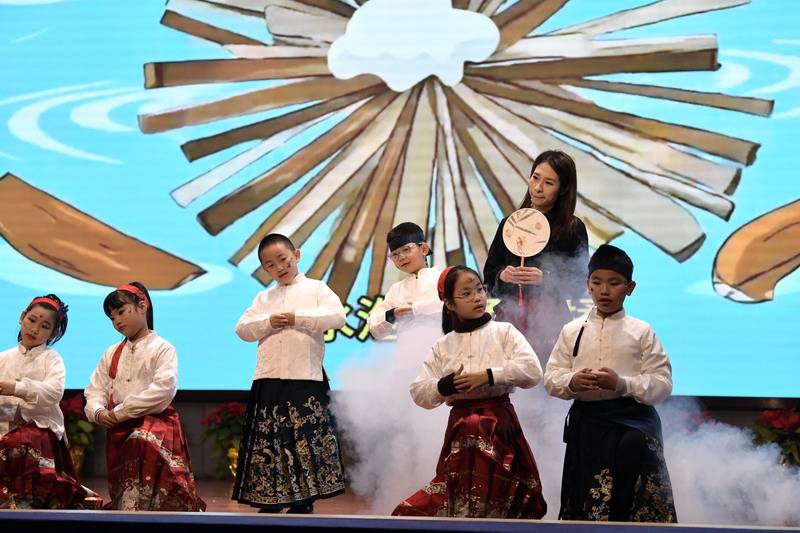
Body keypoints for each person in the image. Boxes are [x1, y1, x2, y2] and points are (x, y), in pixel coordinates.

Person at [392, 266, 547, 518]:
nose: (477, 297)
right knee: (458, 498)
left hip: (499, 425)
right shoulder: (443, 345)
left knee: (501, 498)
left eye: (480, 290)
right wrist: (446, 385)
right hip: (460, 429)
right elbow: (419, 391)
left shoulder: (504, 332)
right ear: (449, 303)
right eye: (466, 293)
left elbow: (532, 372)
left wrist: (488, 376)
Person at [544, 244, 676, 522]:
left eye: (614, 283)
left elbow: (662, 382)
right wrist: (572, 382)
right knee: (586, 499)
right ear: (587, 285)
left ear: (630, 288)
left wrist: (622, 384)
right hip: (588, 421)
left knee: (632, 459)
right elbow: (551, 378)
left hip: (634, 420)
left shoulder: (641, 331)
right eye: (597, 282)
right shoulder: (572, 330)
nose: (604, 291)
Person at [233, 233, 347, 514]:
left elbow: (338, 317)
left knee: (303, 441)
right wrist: (268, 322)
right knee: (271, 441)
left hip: (305, 377)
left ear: (296, 255)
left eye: (283, 259)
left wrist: (298, 318)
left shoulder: (316, 288)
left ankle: (303, 500)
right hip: (269, 377)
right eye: (270, 265)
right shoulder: (264, 298)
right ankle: (270, 499)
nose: (279, 267)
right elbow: (242, 329)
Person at [84, 282, 205, 511]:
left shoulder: (162, 348)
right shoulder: (111, 353)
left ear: (142, 306)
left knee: (141, 441)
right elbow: (95, 389)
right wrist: (98, 412)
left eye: (121, 312)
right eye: (112, 318)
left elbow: (163, 390)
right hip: (120, 427)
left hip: (155, 424)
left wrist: (120, 412)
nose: (117, 321)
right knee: (126, 493)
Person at [484, 150, 589, 365]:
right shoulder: (510, 224)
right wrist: (502, 276)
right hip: (509, 319)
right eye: (535, 178)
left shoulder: (572, 228)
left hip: (550, 323)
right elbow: (488, 276)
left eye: (549, 183)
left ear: (563, 188)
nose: (538, 187)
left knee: (547, 379)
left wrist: (546, 279)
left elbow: (579, 284)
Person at [0, 294, 91, 509]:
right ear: (22, 317)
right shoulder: (3, 358)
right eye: (32, 320)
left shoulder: (52, 359)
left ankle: (26, 504)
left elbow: (54, 392)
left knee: (24, 439)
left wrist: (16, 388)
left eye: (44, 326)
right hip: (4, 430)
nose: (34, 329)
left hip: (40, 431)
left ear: (54, 333)